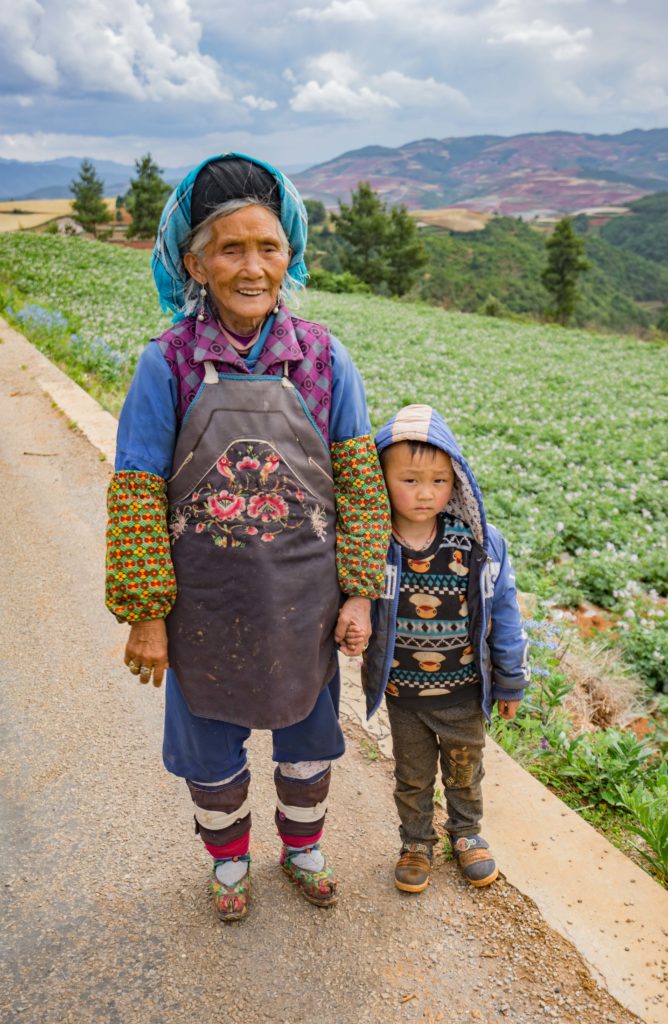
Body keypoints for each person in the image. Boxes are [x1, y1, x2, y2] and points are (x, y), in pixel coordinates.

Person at [104, 153, 391, 922]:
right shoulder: (167, 365)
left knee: (305, 742)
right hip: (204, 607)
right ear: (195, 262)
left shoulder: (325, 358)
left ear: (289, 253)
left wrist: (360, 592)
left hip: (304, 603)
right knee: (210, 752)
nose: (252, 266)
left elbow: (360, 485)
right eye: (230, 249)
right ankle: (229, 864)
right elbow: (137, 489)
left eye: (267, 247)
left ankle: (301, 849)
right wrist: (146, 612)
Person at [360, 404, 529, 892]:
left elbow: (505, 616)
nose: (425, 493)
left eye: (438, 481)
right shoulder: (373, 545)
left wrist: (511, 680)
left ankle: (466, 832)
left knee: (464, 769)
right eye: (409, 480)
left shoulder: (477, 544)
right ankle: (415, 842)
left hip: (462, 691)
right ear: (380, 480)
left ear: (456, 482)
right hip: (404, 692)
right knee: (411, 776)